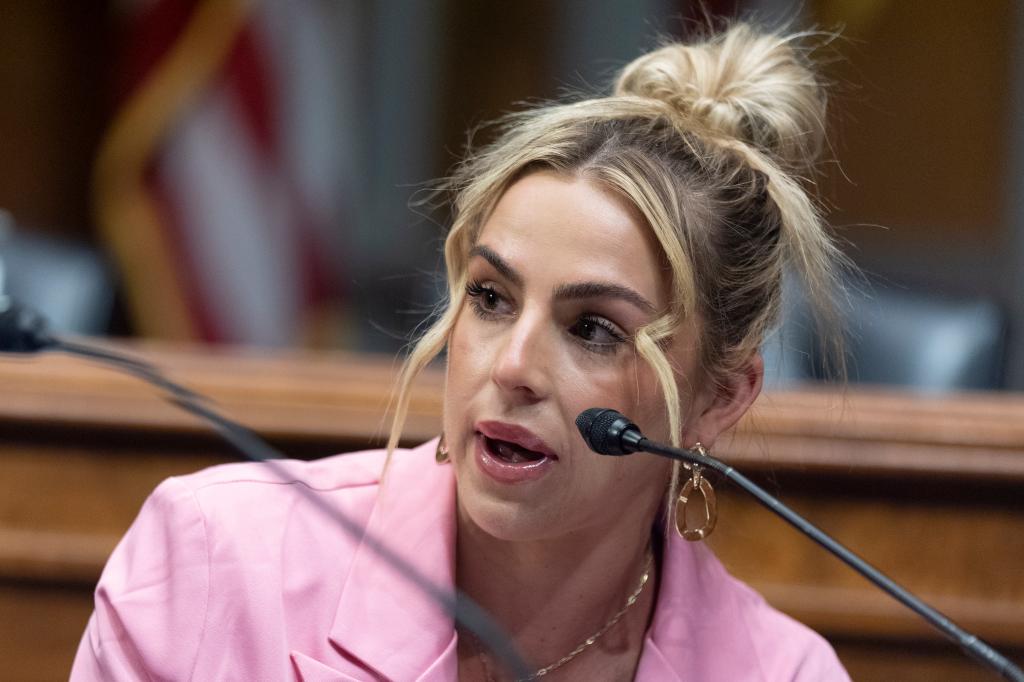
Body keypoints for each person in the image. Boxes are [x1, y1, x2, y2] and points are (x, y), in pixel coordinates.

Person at [72, 22, 851, 681]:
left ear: (719, 399)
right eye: (490, 298)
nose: (510, 368)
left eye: (593, 330)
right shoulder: (210, 562)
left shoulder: (782, 671)